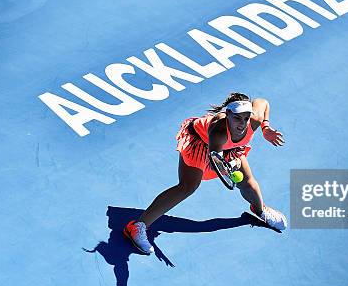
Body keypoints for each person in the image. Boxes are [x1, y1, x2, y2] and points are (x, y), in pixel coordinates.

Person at [123, 92, 287, 254]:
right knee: (187, 187)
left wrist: (265, 127)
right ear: (227, 114)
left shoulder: (254, 120)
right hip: (201, 142)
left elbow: (262, 101)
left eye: (246, 117)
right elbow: (218, 163)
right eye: (237, 118)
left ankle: (260, 210)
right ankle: (137, 227)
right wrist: (234, 163)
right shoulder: (218, 131)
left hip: (229, 148)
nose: (242, 123)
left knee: (248, 183)